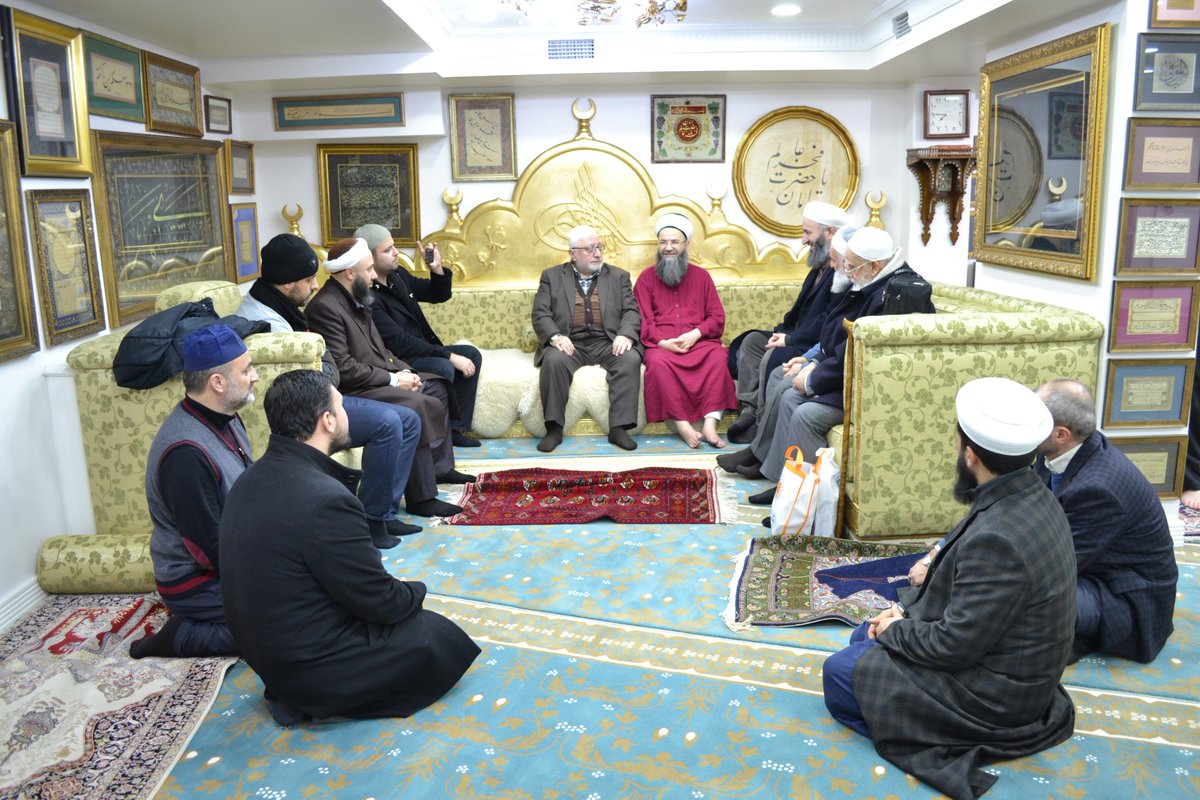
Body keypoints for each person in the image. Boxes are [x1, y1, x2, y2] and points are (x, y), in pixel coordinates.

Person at [823, 377, 1077, 800]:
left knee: (841, 675)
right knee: (859, 638)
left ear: (971, 455)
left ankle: (925, 728)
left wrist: (892, 631)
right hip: (1010, 659)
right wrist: (901, 615)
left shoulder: (999, 539)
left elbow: (953, 647)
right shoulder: (1030, 492)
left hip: (998, 697)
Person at [219, 369, 480, 725]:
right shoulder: (325, 499)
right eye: (342, 407)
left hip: (271, 656)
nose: (347, 415)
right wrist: (416, 591)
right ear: (327, 421)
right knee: (434, 634)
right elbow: (381, 601)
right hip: (309, 669)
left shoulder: (252, 477)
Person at [236, 233, 421, 546]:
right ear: (286, 283)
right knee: (389, 423)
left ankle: (386, 513)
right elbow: (323, 373)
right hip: (308, 409)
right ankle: (372, 522)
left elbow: (328, 365)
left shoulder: (282, 304)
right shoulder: (268, 322)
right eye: (309, 279)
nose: (314, 286)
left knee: (409, 419)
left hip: (324, 393)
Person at [733, 227, 929, 499]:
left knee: (802, 410)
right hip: (846, 377)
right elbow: (840, 337)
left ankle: (803, 498)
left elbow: (858, 354)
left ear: (872, 266)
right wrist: (814, 361)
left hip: (868, 392)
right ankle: (787, 485)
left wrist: (812, 378)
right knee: (789, 391)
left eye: (850, 266)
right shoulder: (871, 283)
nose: (846, 272)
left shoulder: (892, 295)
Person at [306, 237, 474, 519]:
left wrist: (404, 371)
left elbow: (381, 349)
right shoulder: (325, 307)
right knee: (417, 404)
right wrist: (394, 380)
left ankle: (440, 468)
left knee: (438, 384)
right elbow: (344, 368)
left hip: (377, 379)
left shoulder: (357, 296)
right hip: (355, 389)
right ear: (350, 273)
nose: (374, 276)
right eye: (369, 270)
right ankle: (422, 498)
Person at [131, 324, 255, 659]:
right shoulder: (186, 453)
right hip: (196, 580)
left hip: (230, 556)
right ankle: (182, 636)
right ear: (218, 382)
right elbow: (205, 547)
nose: (254, 377)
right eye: (246, 370)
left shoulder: (225, 416)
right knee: (287, 627)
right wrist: (267, 573)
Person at [1035, 379, 1177, 662]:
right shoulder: (1058, 451)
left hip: (1122, 599)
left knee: (1017, 594)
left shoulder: (1097, 490)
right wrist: (940, 554)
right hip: (1092, 569)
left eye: (1033, 420)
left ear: (1061, 434)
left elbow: (1051, 568)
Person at [725, 200, 848, 444]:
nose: (803, 240)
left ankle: (761, 423)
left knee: (772, 356)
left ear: (830, 232)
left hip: (811, 344)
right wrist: (780, 332)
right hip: (795, 335)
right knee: (751, 342)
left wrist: (790, 339)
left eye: (807, 232)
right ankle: (749, 409)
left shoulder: (842, 271)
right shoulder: (818, 266)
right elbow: (798, 310)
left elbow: (828, 319)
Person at [356, 223, 483, 448]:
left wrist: (436, 270)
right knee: (444, 367)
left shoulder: (398, 275)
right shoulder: (368, 296)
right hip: (400, 359)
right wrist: (449, 356)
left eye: (394, 246)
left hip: (423, 350)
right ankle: (438, 437)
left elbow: (437, 294)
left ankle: (455, 429)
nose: (396, 253)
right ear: (369, 258)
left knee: (471, 354)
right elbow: (400, 341)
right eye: (387, 250)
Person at [531, 224, 642, 453]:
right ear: (572, 254)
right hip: (571, 342)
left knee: (629, 359)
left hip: (607, 342)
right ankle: (554, 429)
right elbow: (541, 313)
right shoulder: (551, 276)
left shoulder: (619, 276)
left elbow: (631, 311)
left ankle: (619, 428)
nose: (598, 253)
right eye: (589, 249)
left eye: (599, 247)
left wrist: (625, 334)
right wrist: (555, 336)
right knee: (553, 361)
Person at [634, 213, 737, 449]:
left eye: (675, 242)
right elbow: (643, 321)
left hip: (698, 343)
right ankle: (682, 425)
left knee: (718, 357)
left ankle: (710, 423)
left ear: (686, 245)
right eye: (663, 242)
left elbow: (716, 317)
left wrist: (696, 334)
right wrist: (662, 342)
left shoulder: (702, 276)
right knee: (657, 363)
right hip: (662, 346)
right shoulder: (645, 279)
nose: (668, 248)